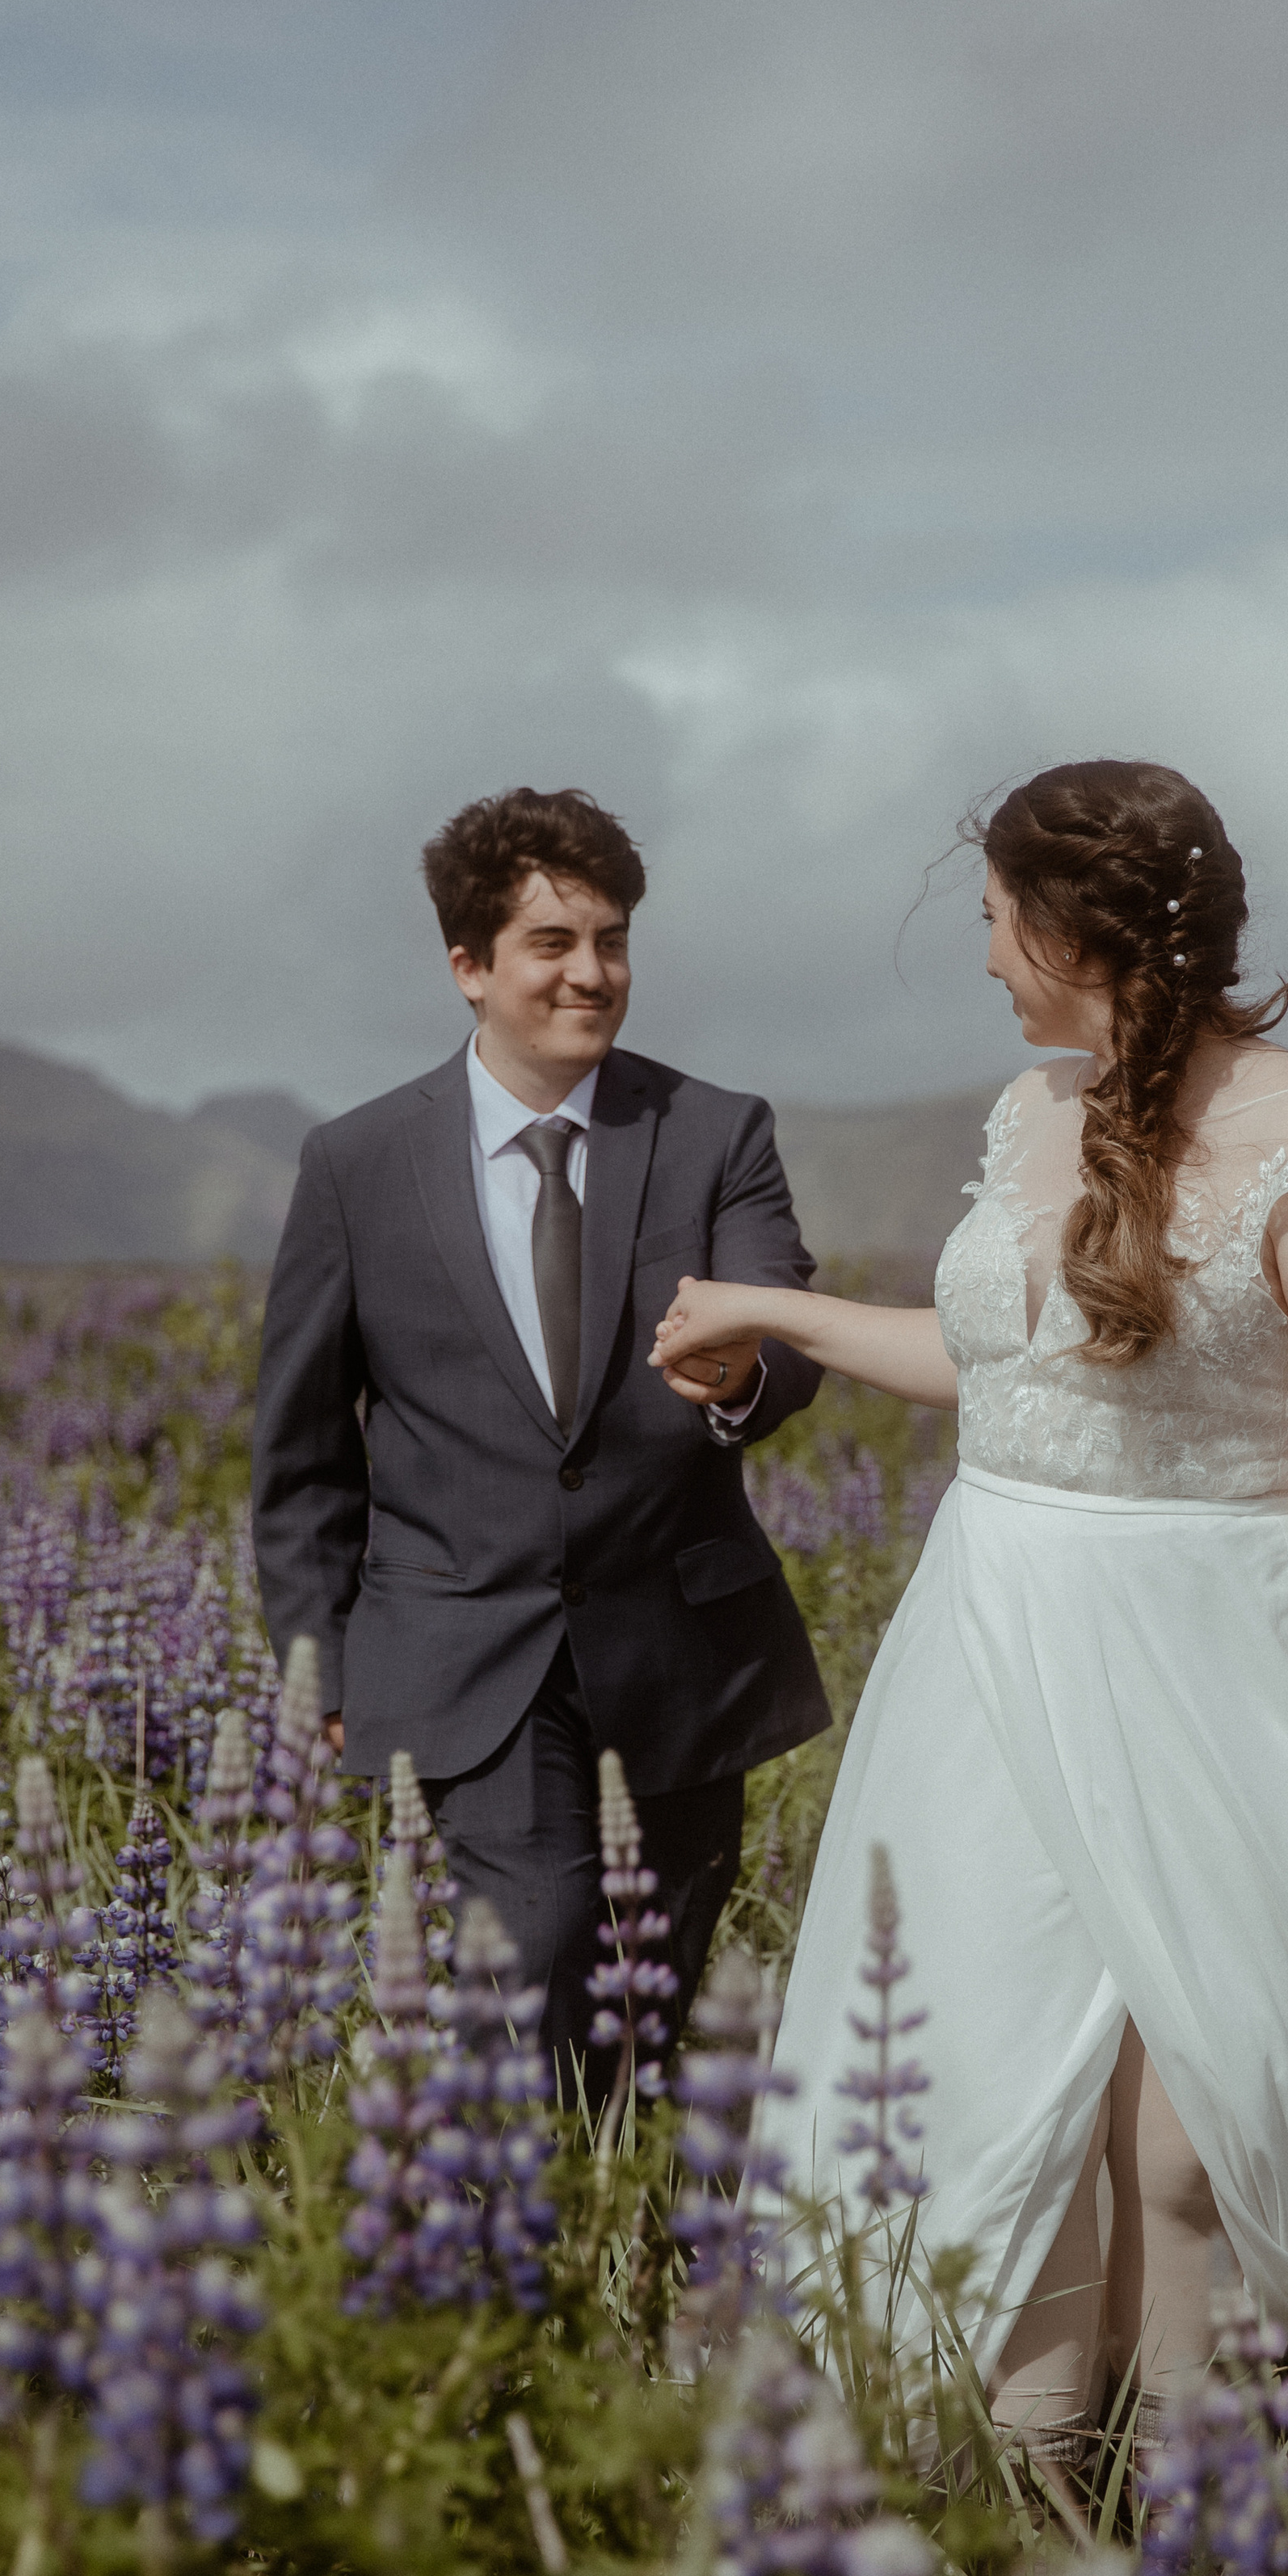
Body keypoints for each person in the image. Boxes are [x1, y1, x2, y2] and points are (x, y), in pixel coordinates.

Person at [650, 758, 1288, 2467]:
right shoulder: (1028, 1113)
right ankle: (1029, 2495)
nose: (986, 957)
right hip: (992, 1630)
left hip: (1216, 1650)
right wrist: (776, 1312)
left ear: (1078, 934)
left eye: (1000, 922)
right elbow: (1006, 1371)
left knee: (1187, 2124)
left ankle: (1196, 2493)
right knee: (1000, 2080)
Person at [251, 784, 831, 2089]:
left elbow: (784, 1328)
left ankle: (632, 2219)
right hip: (465, 1656)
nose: (592, 974)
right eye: (553, 944)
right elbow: (302, 1455)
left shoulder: (714, 1130)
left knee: (650, 2023)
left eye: (612, 942)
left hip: (680, 1655)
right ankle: (501, 2215)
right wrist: (316, 1674)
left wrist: (742, 1369)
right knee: (531, 1983)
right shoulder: (358, 1162)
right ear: (469, 965)